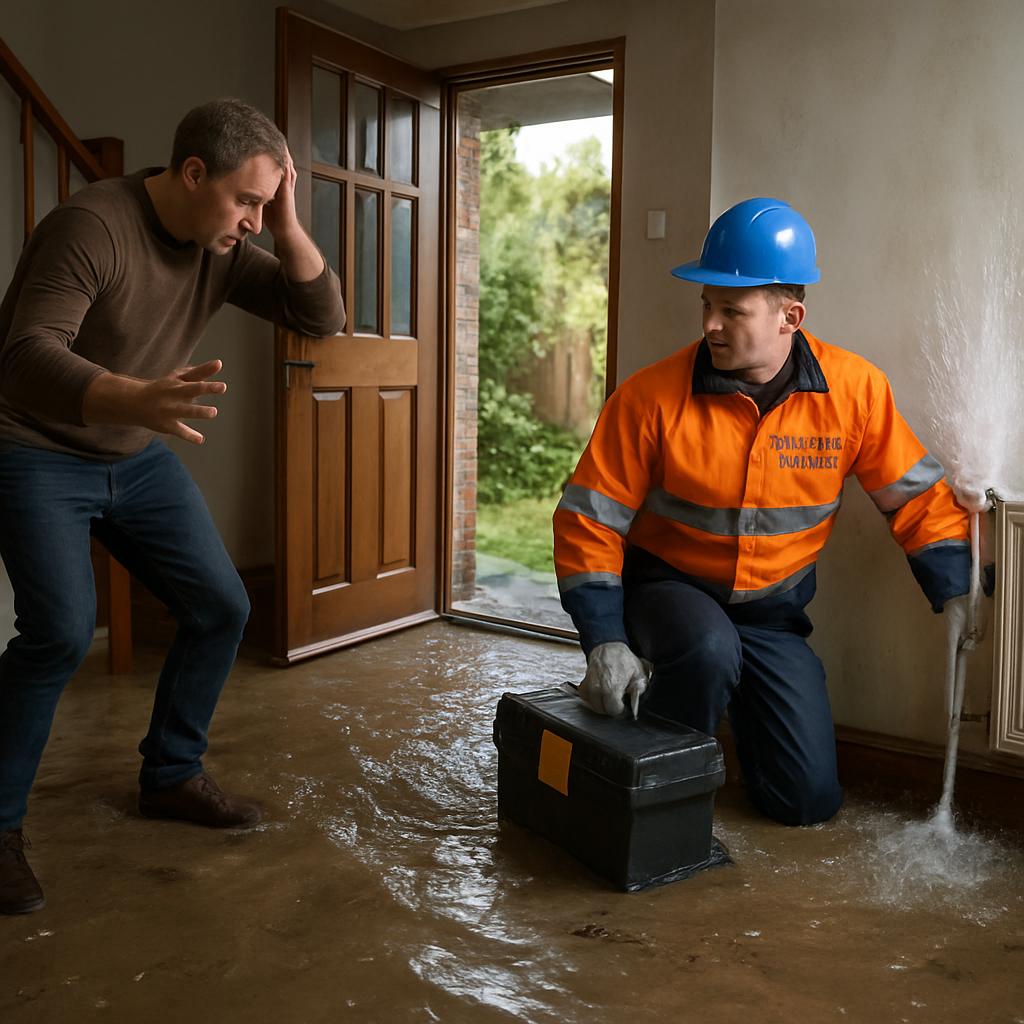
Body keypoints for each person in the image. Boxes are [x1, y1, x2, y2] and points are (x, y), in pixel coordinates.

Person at [0, 98, 345, 914]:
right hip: (35, 448)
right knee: (57, 631)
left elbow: (319, 314)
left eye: (267, 204)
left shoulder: (219, 243)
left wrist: (289, 219)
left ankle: (172, 776)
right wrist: (131, 399)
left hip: (132, 450)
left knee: (221, 605)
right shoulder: (91, 227)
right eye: (247, 202)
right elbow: (21, 357)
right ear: (193, 174)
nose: (254, 223)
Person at [553, 197, 970, 828]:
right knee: (708, 648)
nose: (710, 325)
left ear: (790, 317)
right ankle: (656, 794)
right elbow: (588, 519)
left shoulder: (856, 392)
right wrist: (604, 639)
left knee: (806, 804)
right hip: (667, 591)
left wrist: (959, 586)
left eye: (731, 309)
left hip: (773, 614)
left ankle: (727, 722)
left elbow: (914, 496)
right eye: (707, 306)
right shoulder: (649, 398)